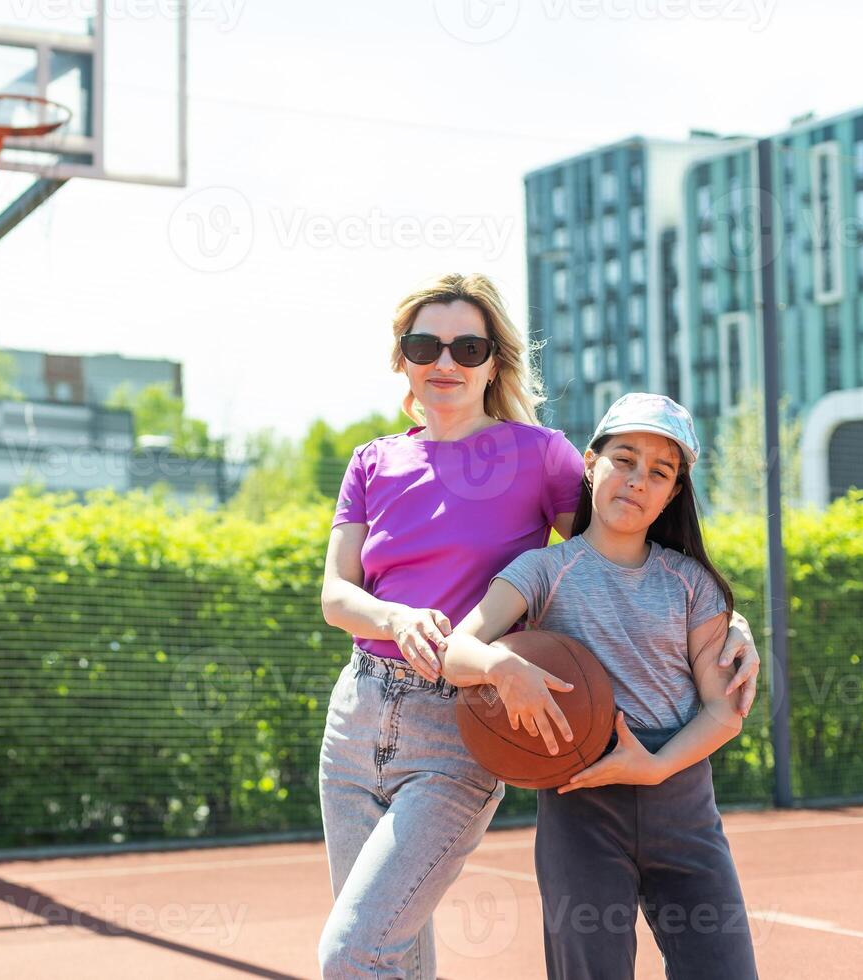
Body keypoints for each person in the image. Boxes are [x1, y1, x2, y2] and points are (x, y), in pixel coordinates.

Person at [317, 274, 761, 978]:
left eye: (468, 347)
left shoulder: (540, 454)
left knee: (354, 950)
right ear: (401, 356)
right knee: (390, 948)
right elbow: (336, 595)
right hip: (356, 716)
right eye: (425, 344)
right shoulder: (373, 461)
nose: (446, 362)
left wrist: (724, 618)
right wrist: (396, 616)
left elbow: (620, 545)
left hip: (461, 717)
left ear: (495, 362)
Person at [438, 391, 760, 978]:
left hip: (681, 803)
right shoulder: (542, 571)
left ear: (673, 494)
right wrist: (501, 667)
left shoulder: (691, 584)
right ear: (590, 464)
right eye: (624, 459)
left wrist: (656, 765)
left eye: (659, 472)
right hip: (580, 805)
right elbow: (457, 649)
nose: (638, 480)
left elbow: (724, 709)